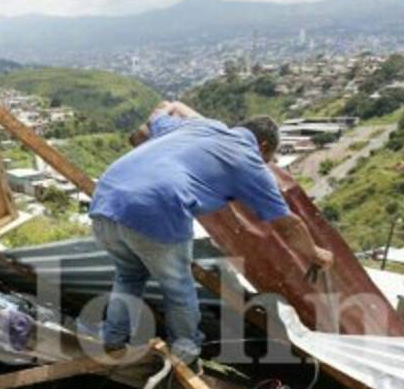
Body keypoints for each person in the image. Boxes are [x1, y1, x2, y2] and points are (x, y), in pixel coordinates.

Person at [90, 100, 334, 362]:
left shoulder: (200, 126)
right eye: (268, 159)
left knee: (129, 275)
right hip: (155, 208)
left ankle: (112, 340)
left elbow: (157, 114)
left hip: (105, 200)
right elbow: (289, 224)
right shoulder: (249, 160)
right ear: (263, 147)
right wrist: (315, 252)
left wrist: (166, 112)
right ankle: (185, 354)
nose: (265, 164)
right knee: (177, 286)